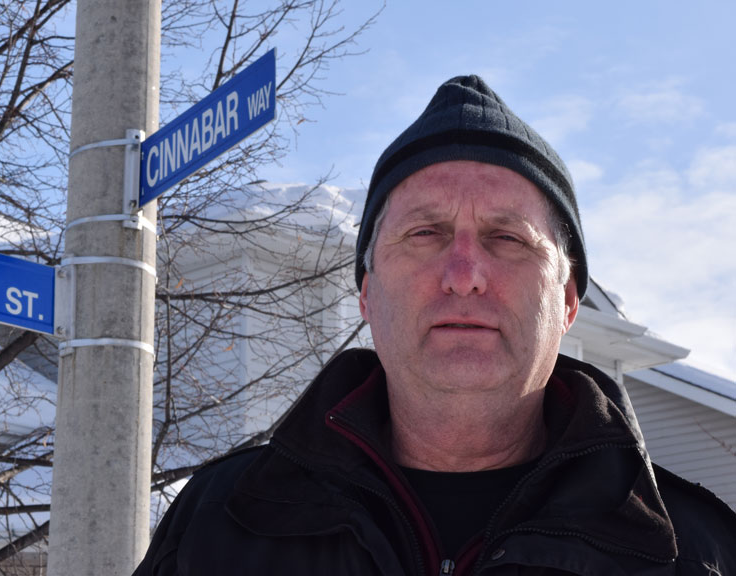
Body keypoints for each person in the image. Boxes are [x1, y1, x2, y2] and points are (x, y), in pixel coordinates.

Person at [131, 75, 736, 576]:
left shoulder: (695, 552)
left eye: (507, 238)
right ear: (367, 292)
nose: (465, 273)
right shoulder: (216, 527)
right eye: (425, 234)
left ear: (569, 299)